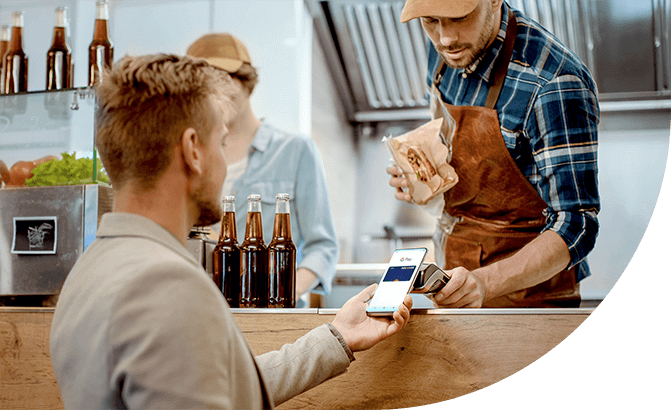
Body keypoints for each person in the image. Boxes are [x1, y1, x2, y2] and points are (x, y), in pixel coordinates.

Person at [49, 54, 413, 409]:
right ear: (193, 150)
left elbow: (219, 385)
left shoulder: (87, 271)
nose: (227, 163)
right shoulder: (166, 284)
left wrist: (337, 338)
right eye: (222, 143)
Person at [388, 0, 600, 308]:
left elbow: (577, 224)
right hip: (454, 279)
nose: (445, 38)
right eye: (431, 21)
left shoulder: (553, 83)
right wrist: (422, 171)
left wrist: (485, 282)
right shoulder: (446, 50)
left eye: (458, 18)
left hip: (529, 304)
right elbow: (454, 141)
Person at [186, 33, 338, 303]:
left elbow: (323, 247)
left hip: (272, 313)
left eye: (223, 78)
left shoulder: (296, 151)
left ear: (245, 81)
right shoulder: (191, 155)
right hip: (206, 308)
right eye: (203, 85)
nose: (215, 94)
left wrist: (284, 293)